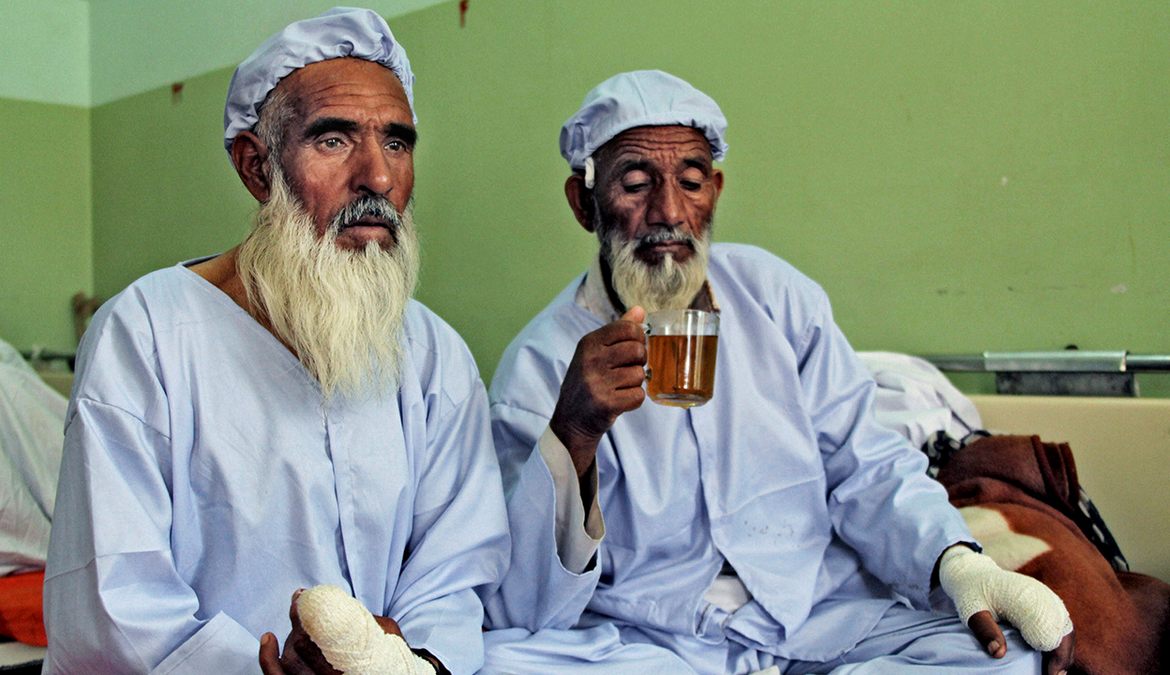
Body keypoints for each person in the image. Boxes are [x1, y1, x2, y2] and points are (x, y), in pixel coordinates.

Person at [482, 70, 1075, 675]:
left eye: (690, 184)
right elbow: (524, 604)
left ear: (714, 192)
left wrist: (959, 564)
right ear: (585, 205)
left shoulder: (777, 299)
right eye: (635, 185)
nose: (668, 213)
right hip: (651, 643)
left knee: (1010, 655)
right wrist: (574, 434)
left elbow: (864, 464)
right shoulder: (542, 363)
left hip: (818, 612)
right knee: (496, 663)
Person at [42, 9, 509, 675]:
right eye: (334, 141)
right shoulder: (146, 334)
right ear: (257, 167)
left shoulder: (434, 354)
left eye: (398, 143)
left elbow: (454, 568)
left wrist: (416, 661)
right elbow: (115, 598)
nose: (377, 177)